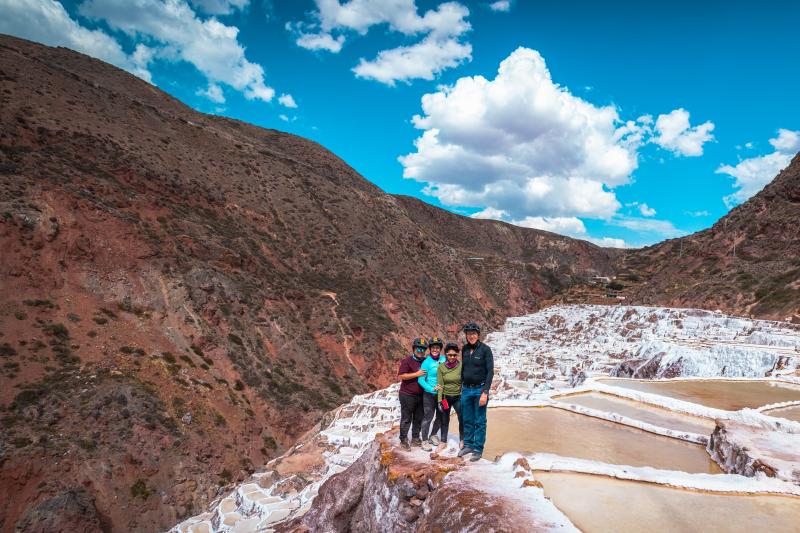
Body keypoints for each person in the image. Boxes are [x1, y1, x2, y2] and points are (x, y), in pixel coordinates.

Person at [458, 322, 494, 462]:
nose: (471, 336)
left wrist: (485, 392)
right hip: (466, 389)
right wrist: (461, 385)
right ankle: (468, 445)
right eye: (468, 334)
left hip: (480, 389)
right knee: (467, 419)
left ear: (478, 335)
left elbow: (490, 372)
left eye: (473, 334)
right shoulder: (465, 349)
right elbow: (464, 369)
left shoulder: (485, 350)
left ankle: (478, 449)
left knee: (479, 421)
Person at [397, 337, 428, 449]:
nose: (421, 352)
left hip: (421, 395)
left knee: (418, 418)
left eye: (423, 350)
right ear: (414, 349)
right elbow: (401, 376)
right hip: (407, 395)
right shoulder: (407, 361)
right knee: (406, 418)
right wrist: (416, 374)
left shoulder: (425, 361)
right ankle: (403, 439)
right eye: (419, 349)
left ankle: (415, 438)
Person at [418, 336, 445, 451]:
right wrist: (432, 388)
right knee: (428, 417)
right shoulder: (426, 362)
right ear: (430, 349)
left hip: (442, 394)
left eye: (437, 347)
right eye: (433, 347)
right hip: (429, 394)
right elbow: (421, 380)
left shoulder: (444, 359)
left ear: (440, 349)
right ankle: (424, 440)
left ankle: (433, 435)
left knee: (440, 416)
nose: (435, 350)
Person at [436, 342, 463, 452]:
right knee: (444, 419)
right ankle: (443, 442)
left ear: (457, 355)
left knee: (462, 418)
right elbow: (440, 385)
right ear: (446, 355)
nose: (452, 357)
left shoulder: (461, 366)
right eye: (449, 355)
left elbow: (464, 381)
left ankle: (462, 440)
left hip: (458, 397)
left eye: (454, 355)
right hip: (445, 397)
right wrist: (439, 401)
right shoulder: (441, 367)